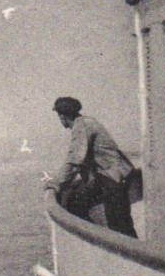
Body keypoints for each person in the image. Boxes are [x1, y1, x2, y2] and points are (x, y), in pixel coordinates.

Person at [44, 96, 138, 238]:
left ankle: (116, 248)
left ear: (62, 116)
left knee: (120, 224)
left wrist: (55, 183)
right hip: (110, 176)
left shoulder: (81, 127)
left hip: (114, 178)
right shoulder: (86, 123)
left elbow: (75, 160)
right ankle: (97, 236)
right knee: (76, 202)